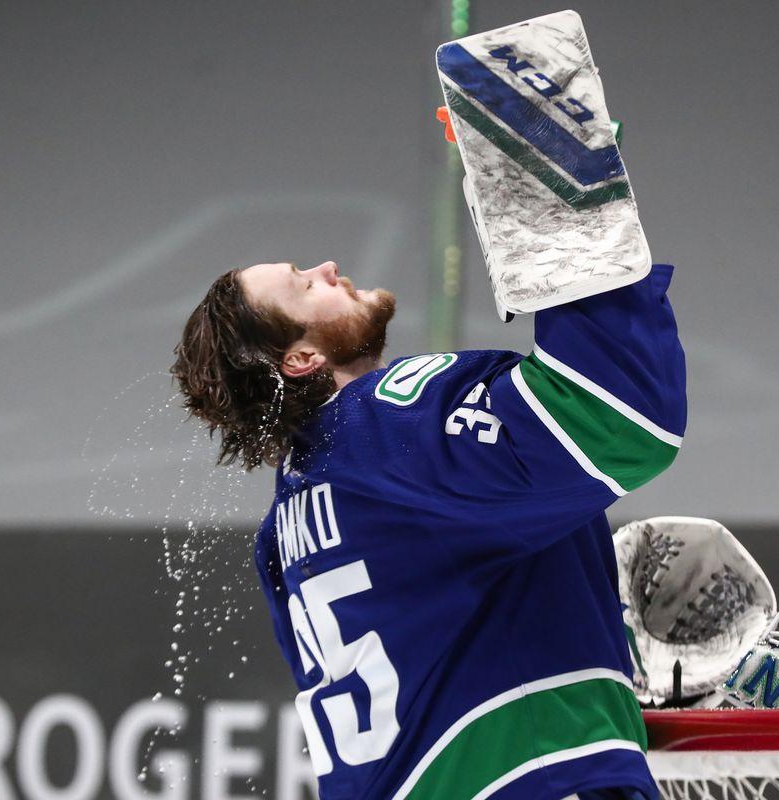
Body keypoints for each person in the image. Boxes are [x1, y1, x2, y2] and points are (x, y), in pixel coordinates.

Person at [172, 256, 686, 800]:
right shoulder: (383, 424)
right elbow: (620, 418)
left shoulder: (285, 523)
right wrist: (568, 243)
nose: (325, 268)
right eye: (303, 284)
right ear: (302, 358)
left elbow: (453, 621)